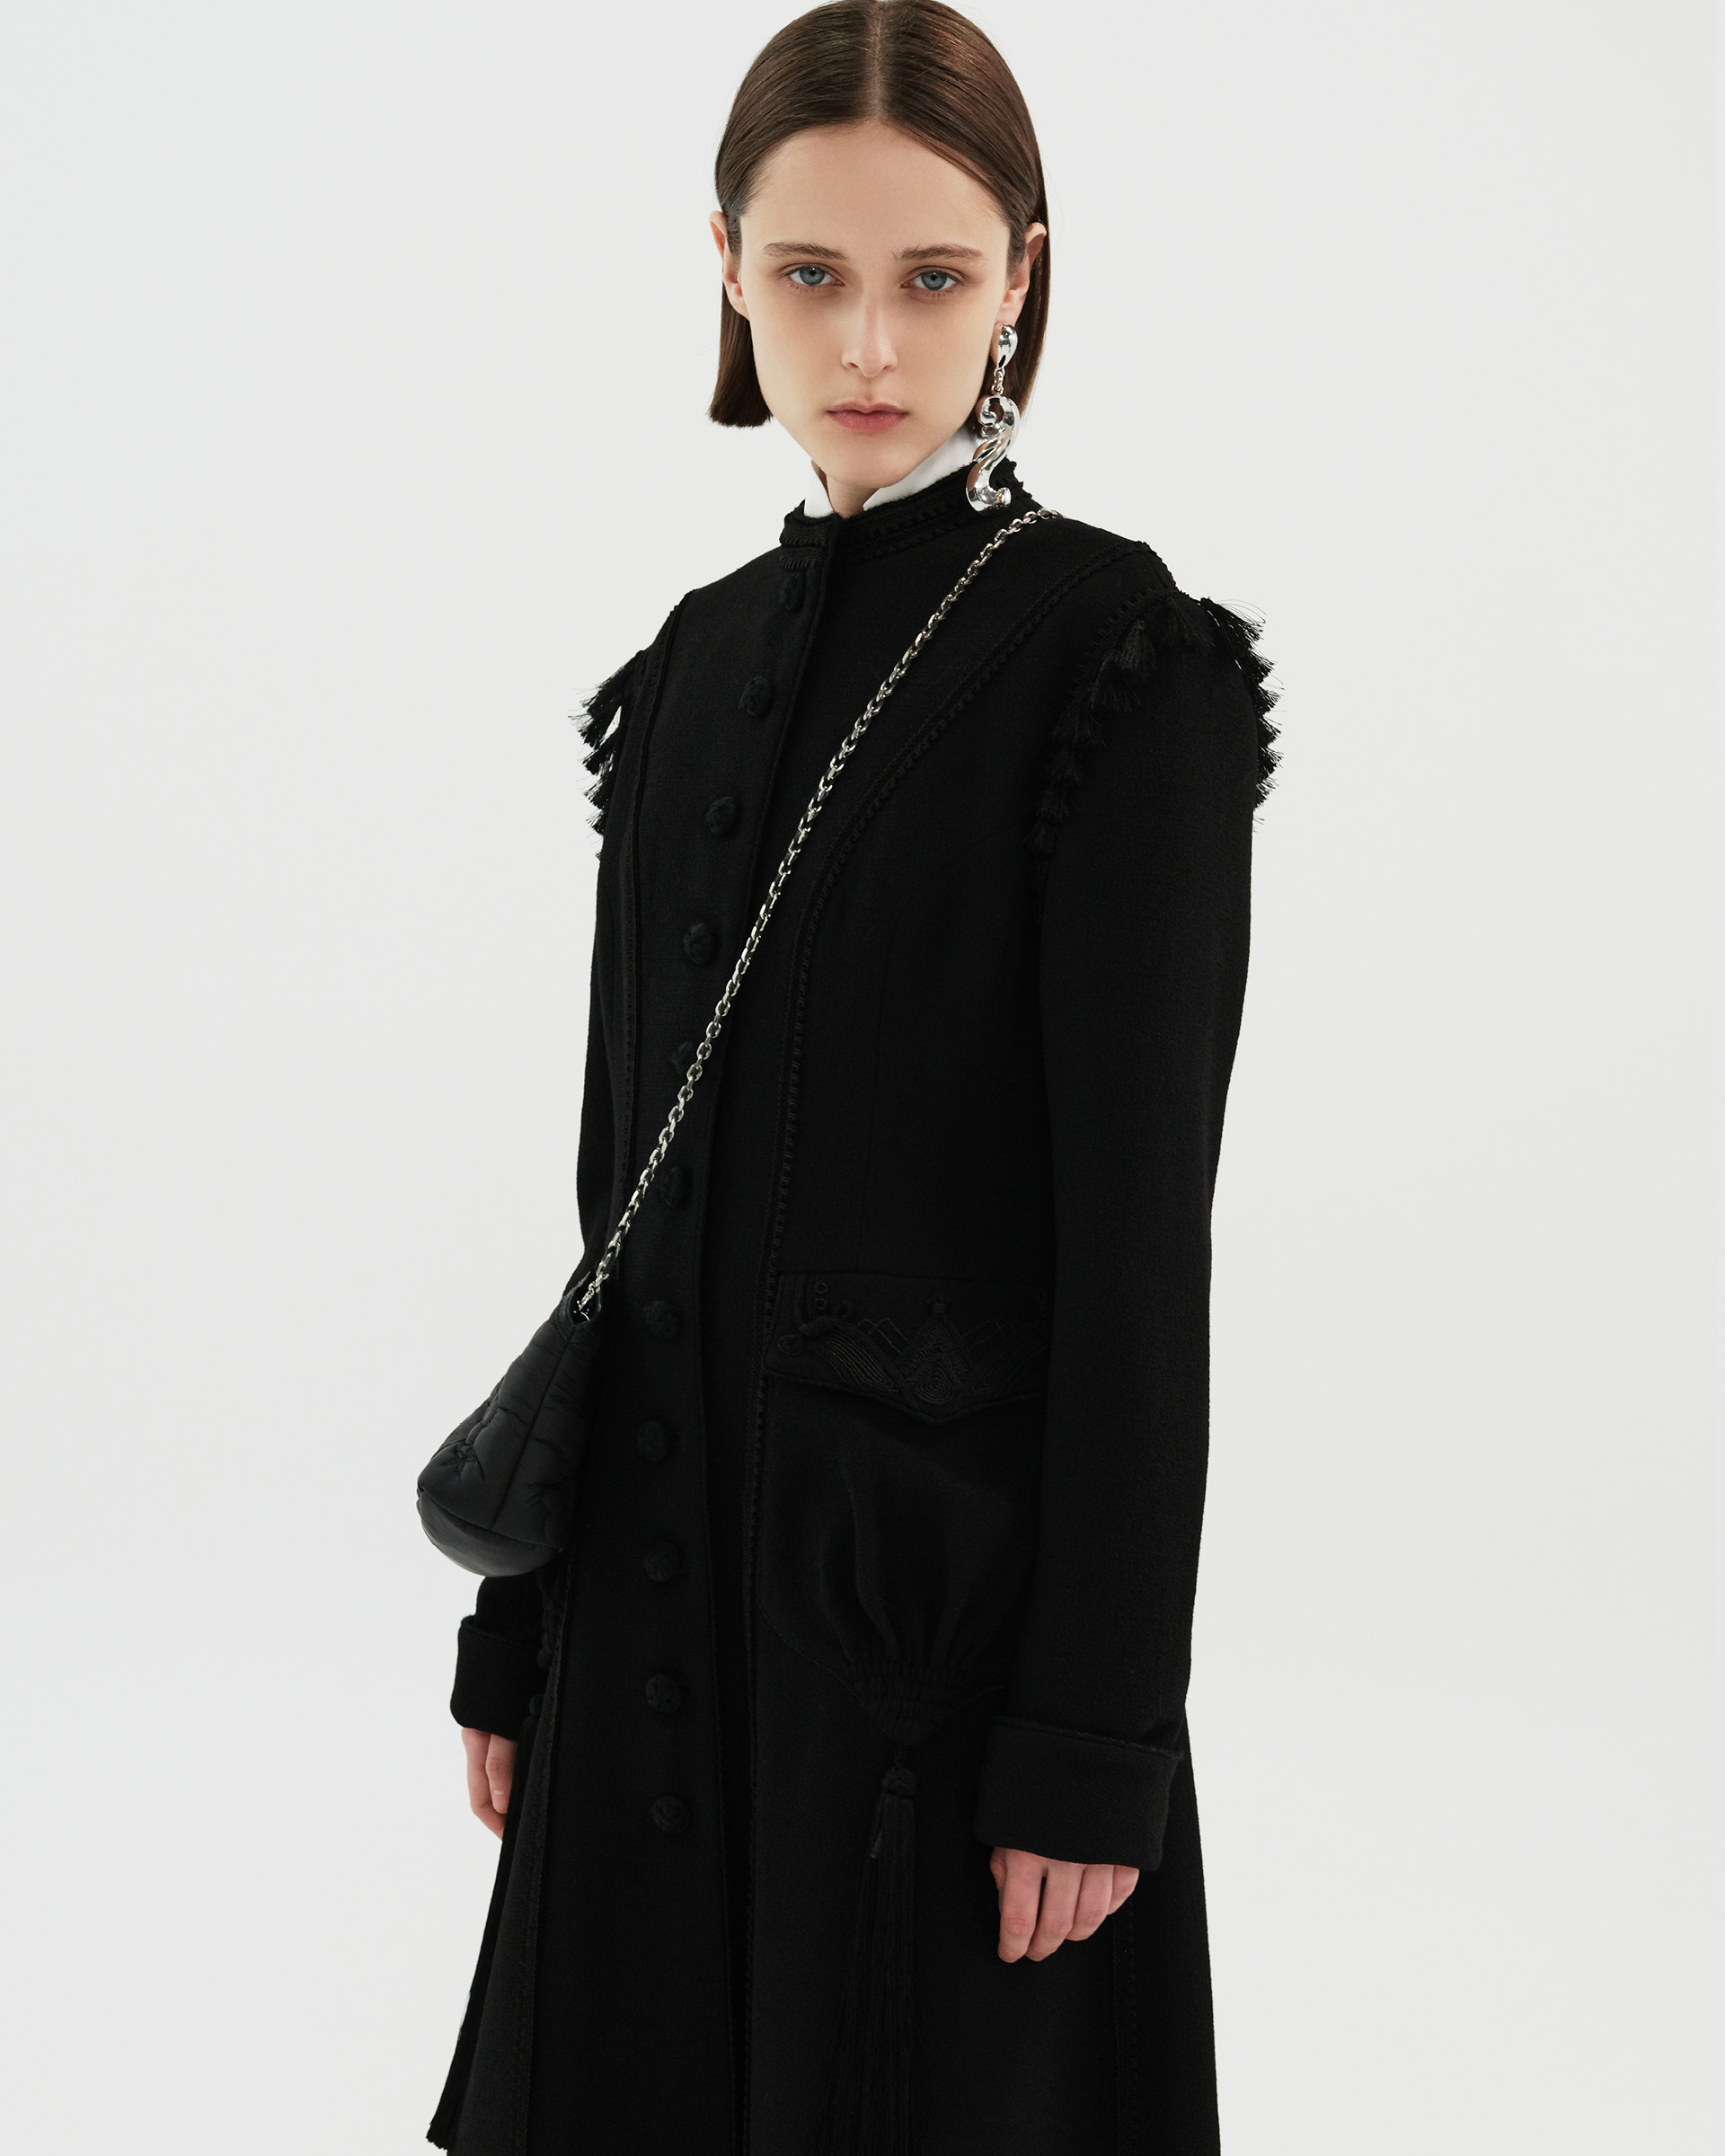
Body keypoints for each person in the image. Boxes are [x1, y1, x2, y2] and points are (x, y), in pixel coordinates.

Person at [427, 4, 1277, 2151]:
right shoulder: (689, 669)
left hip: (927, 1670)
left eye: (934, 274)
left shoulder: (1113, 663)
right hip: (645, 1626)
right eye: (811, 273)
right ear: (726, 265)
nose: (871, 341)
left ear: (1024, 277)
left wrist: (1093, 1736)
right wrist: (519, 1629)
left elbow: (1137, 1261)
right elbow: (616, 1201)